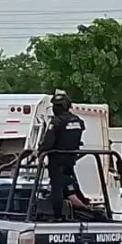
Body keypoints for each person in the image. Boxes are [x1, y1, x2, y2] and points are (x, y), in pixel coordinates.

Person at [29, 89, 85, 219]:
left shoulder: (56, 122)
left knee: (57, 188)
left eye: (56, 106)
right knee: (69, 185)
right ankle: (83, 207)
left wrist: (38, 152)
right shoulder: (78, 121)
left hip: (57, 161)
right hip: (70, 161)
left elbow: (48, 142)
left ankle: (57, 216)